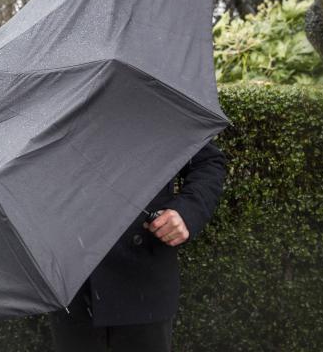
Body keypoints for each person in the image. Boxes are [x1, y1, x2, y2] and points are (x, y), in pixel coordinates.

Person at [49, 140, 226, 352]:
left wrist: (187, 212)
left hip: (143, 277)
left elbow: (207, 161)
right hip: (72, 280)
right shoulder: (41, 108)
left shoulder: (160, 106)